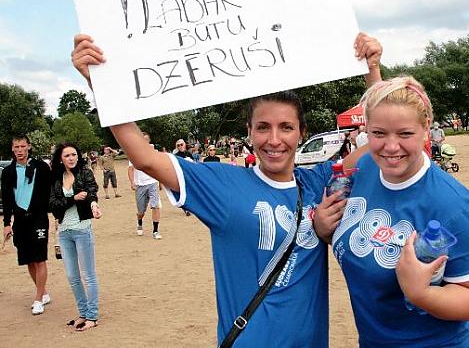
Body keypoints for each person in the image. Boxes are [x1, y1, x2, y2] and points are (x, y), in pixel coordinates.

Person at [71, 30, 382, 347]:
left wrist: (372, 71)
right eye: (263, 127)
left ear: (302, 133)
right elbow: (145, 159)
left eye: (286, 127)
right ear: (249, 132)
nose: (274, 139)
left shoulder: (318, 183)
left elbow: (377, 141)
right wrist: (101, 83)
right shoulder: (222, 184)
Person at [315, 76, 469, 348]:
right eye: (379, 134)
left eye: (405, 134)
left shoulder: (454, 206)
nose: (391, 146)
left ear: (425, 129)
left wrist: (421, 294)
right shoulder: (365, 167)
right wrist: (324, 229)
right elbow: (361, 241)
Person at [49, 143, 102, 331]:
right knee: (72, 276)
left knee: (88, 275)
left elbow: (92, 192)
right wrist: (73, 199)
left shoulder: (85, 173)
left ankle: (92, 316)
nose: (71, 158)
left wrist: (94, 205)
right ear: (60, 159)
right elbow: (52, 204)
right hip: (64, 232)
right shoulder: (56, 178)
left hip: (82, 229)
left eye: (74, 154)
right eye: (67, 155)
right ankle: (83, 313)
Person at [1, 135, 52, 315]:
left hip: (38, 217)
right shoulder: (7, 172)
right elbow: (6, 200)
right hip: (20, 219)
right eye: (16, 147)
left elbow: (51, 190)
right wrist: (7, 224)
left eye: (23, 146)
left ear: (28, 147)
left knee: (40, 258)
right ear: (12, 149)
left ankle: (38, 299)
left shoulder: (41, 167)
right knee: (28, 259)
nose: (20, 150)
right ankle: (43, 292)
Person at [128, 132, 162, 239]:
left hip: (152, 183)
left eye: (146, 139)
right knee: (141, 211)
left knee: (155, 206)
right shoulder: (133, 153)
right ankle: (139, 222)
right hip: (140, 185)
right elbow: (130, 169)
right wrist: (132, 182)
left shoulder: (154, 152)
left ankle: (155, 231)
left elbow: (158, 167)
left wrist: (160, 181)